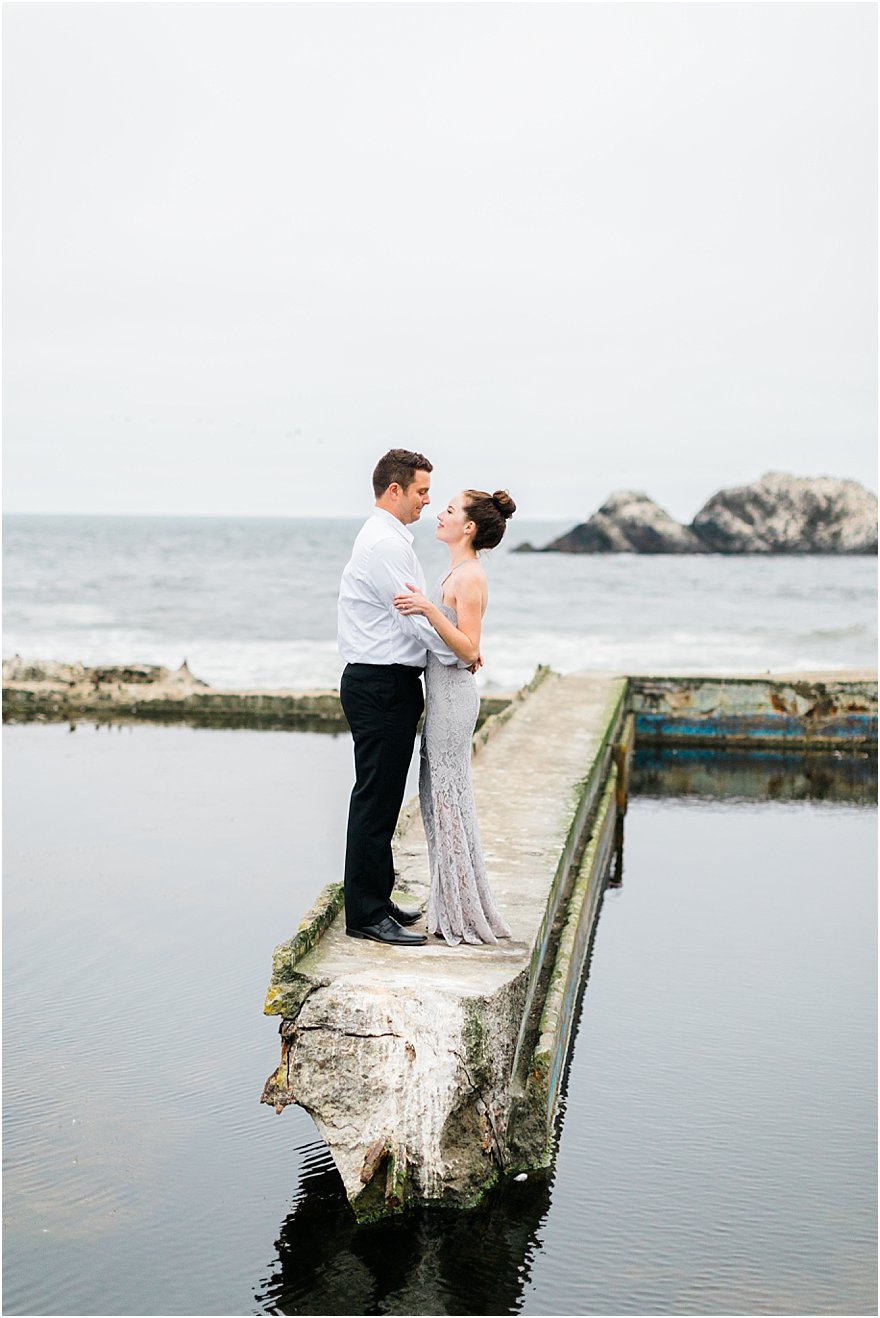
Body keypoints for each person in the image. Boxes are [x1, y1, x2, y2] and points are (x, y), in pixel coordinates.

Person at [337, 449, 464, 947]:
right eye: (421, 492)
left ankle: (376, 896)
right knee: (375, 796)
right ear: (395, 490)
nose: (427, 502)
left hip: (385, 681)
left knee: (384, 796)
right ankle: (365, 913)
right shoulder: (385, 546)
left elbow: (414, 615)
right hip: (379, 682)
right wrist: (458, 655)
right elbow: (414, 617)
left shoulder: (388, 540)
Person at [394, 488, 516, 945]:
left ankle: (461, 912)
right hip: (445, 696)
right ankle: (450, 907)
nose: (439, 514)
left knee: (445, 799)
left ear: (468, 527)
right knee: (438, 798)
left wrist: (427, 608)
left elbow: (469, 649)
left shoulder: (468, 578)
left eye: (448, 510)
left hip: (453, 700)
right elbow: (459, 646)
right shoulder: (458, 571)